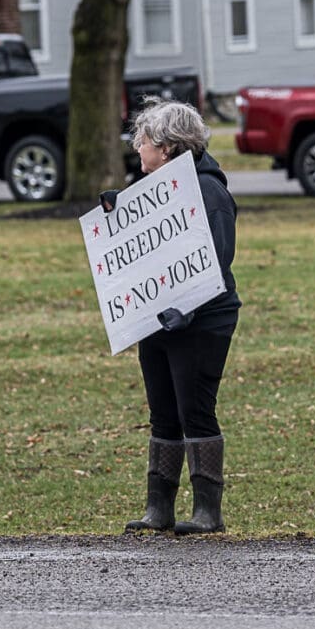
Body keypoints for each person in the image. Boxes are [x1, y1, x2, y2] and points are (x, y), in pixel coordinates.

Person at [101, 98, 241, 535]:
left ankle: (207, 511)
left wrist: (188, 308)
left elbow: (216, 260)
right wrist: (116, 212)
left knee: (194, 410)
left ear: (166, 147)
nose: (137, 148)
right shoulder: (155, 189)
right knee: (163, 411)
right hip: (157, 318)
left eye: (142, 141)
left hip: (203, 320)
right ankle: (157, 508)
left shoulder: (210, 192)